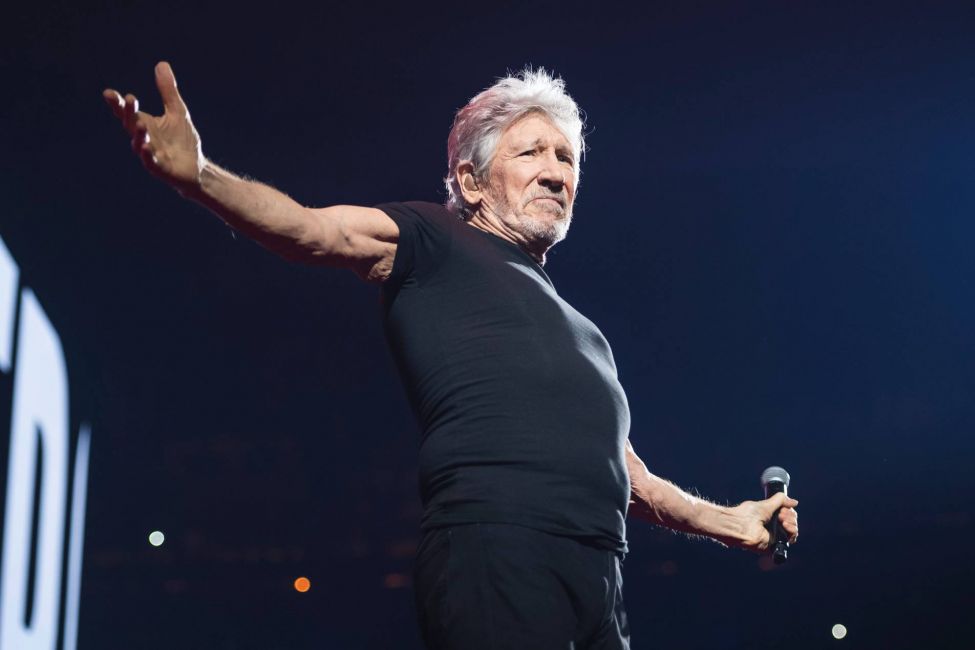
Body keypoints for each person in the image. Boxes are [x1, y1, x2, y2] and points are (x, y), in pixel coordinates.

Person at [103, 62, 799, 650]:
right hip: (497, 551)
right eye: (532, 153)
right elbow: (312, 231)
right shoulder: (430, 239)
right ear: (470, 181)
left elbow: (627, 475)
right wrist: (200, 176)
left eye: (567, 159)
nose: (557, 172)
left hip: (599, 576)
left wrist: (731, 520)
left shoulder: (586, 334)